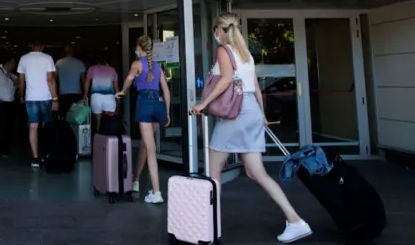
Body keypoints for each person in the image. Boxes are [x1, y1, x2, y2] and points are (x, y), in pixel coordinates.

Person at [190, 12, 312, 243]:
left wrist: (203, 103)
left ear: (222, 30)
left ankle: (210, 227)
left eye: (216, 28)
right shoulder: (246, 54)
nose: (215, 33)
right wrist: (262, 114)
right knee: (256, 172)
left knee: (214, 169)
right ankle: (295, 220)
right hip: (251, 112)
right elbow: (255, 86)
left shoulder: (223, 51)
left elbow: (226, 80)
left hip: (234, 114)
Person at [115, 35, 170, 204]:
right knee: (145, 146)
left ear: (139, 48)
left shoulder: (137, 64)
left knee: (151, 149)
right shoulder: (158, 66)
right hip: (158, 106)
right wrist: (167, 113)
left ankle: (156, 192)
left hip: (144, 105)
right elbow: (166, 91)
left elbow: (129, 80)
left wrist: (122, 92)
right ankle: (136, 179)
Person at [17, 40, 59, 168]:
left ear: (31, 46)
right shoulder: (48, 58)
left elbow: (21, 80)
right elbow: (50, 80)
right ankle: (47, 153)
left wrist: (21, 95)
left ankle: (35, 157)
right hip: (46, 97)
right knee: (46, 126)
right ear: (42, 46)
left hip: (31, 98)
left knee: (33, 126)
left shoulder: (24, 59)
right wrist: (55, 99)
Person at [83, 51, 119, 132]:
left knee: (98, 121)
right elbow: (116, 87)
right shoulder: (112, 70)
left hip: (96, 97)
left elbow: (87, 83)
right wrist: (118, 99)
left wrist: (85, 95)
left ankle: (98, 140)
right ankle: (109, 140)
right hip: (109, 97)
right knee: (109, 120)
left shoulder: (91, 69)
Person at [55, 45, 86, 116]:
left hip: (63, 93)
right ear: (73, 52)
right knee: (76, 116)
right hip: (76, 92)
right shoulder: (79, 63)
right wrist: (85, 94)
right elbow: (83, 80)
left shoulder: (58, 63)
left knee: (65, 114)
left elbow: (54, 79)